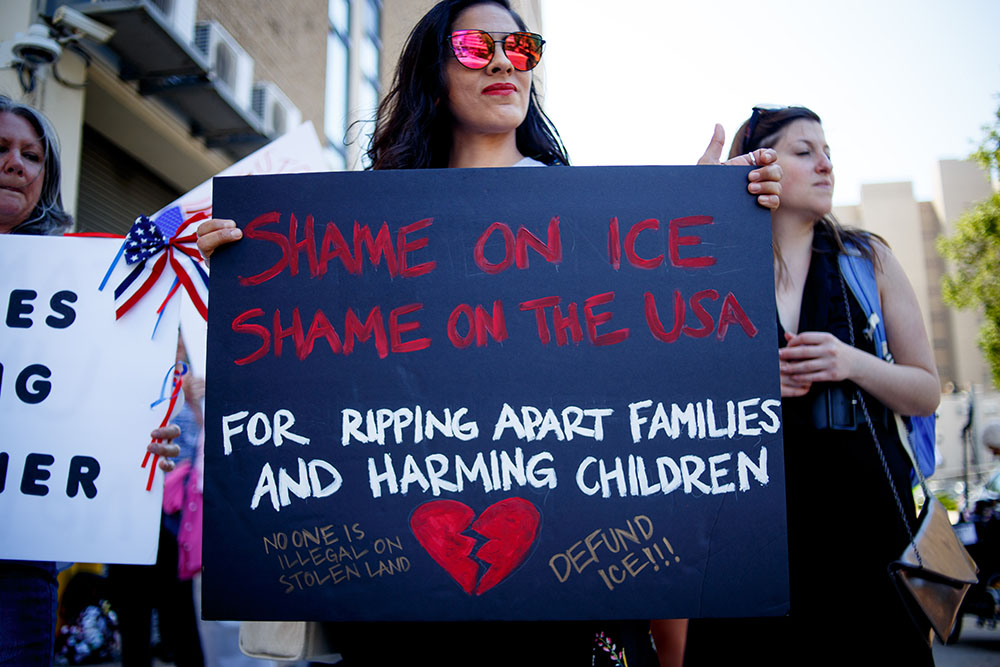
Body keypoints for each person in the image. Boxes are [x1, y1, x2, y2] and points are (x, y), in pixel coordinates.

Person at [196, 2, 781, 665]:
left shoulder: (588, 221)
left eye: (521, 47)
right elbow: (309, 388)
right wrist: (249, 276)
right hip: (400, 601)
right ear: (435, 71)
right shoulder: (360, 226)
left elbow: (648, 377)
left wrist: (699, 222)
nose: (504, 61)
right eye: (477, 47)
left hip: (556, 599)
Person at [684, 106, 940, 665]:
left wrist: (850, 362)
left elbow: (926, 391)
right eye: (805, 151)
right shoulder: (713, 266)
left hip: (868, 538)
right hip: (751, 539)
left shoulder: (866, 260)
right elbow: (670, 397)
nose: (825, 165)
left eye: (828, 152)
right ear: (758, 165)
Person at [0, 94, 181, 666]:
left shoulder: (82, 290)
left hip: (19, 568)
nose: (16, 164)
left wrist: (139, 442)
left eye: (32, 156)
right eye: (0, 149)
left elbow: (85, 402)